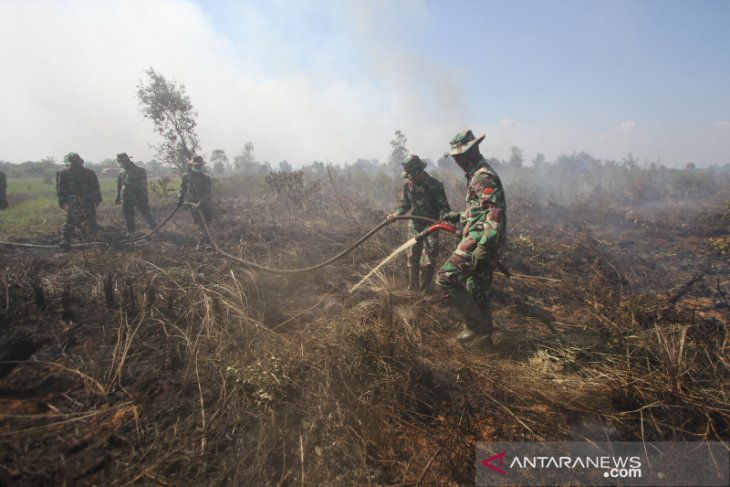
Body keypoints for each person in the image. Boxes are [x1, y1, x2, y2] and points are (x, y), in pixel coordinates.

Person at [436, 130, 507, 345]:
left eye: (459, 155)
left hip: (481, 239)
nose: (456, 160)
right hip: (482, 237)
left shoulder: (482, 176)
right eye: (455, 156)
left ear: (471, 151)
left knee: (445, 278)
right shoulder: (476, 174)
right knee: (477, 288)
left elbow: (494, 211)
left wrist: (484, 246)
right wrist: (461, 215)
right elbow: (481, 210)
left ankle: (477, 326)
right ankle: (483, 341)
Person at [387, 154, 451, 292]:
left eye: (412, 174)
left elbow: (444, 208)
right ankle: (411, 289)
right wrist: (396, 215)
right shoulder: (408, 184)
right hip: (414, 226)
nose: (410, 177)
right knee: (412, 258)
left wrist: (444, 220)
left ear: (419, 171)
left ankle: (423, 293)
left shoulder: (436, 185)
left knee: (427, 261)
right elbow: (405, 204)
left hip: (431, 227)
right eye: (408, 174)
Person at [56, 152, 102, 249]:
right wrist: (97, 199)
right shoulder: (65, 173)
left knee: (75, 220)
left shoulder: (65, 172)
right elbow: (96, 188)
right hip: (80, 200)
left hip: (83, 199)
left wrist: (61, 200)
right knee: (80, 220)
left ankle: (68, 241)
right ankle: (71, 241)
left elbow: (95, 187)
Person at [115, 153, 156, 235]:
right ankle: (131, 232)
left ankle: (155, 230)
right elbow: (119, 184)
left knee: (145, 213)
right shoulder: (122, 172)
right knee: (128, 214)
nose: (120, 164)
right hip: (127, 197)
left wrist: (142, 197)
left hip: (139, 197)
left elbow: (143, 185)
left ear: (126, 161)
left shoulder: (140, 170)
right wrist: (118, 196)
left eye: (121, 162)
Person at [177, 155, 213, 248]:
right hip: (192, 203)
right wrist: (180, 199)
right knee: (199, 223)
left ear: (202, 166)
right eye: (196, 166)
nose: (198, 167)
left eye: (199, 166)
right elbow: (183, 190)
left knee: (206, 223)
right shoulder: (186, 177)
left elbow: (208, 193)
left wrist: (202, 201)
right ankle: (204, 242)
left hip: (205, 204)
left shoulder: (206, 178)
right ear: (192, 165)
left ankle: (206, 242)